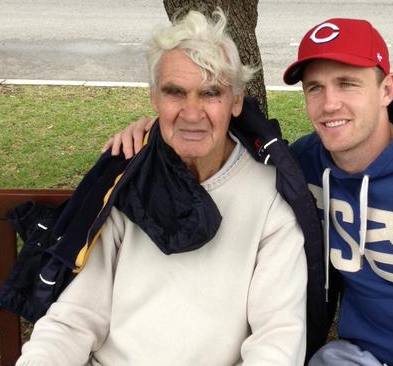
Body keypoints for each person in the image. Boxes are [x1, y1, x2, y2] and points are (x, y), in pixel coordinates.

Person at [106, 17, 393, 366]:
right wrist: (159, 138)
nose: (329, 103)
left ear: (386, 89)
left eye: (347, 83)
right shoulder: (308, 164)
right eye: (315, 87)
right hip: (354, 355)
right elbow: (220, 147)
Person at [16, 9, 309, 366]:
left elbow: (276, 341)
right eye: (175, 92)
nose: (191, 112)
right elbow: (74, 318)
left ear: (236, 101)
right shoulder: (127, 179)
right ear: (155, 98)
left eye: (210, 92)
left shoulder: (270, 199)